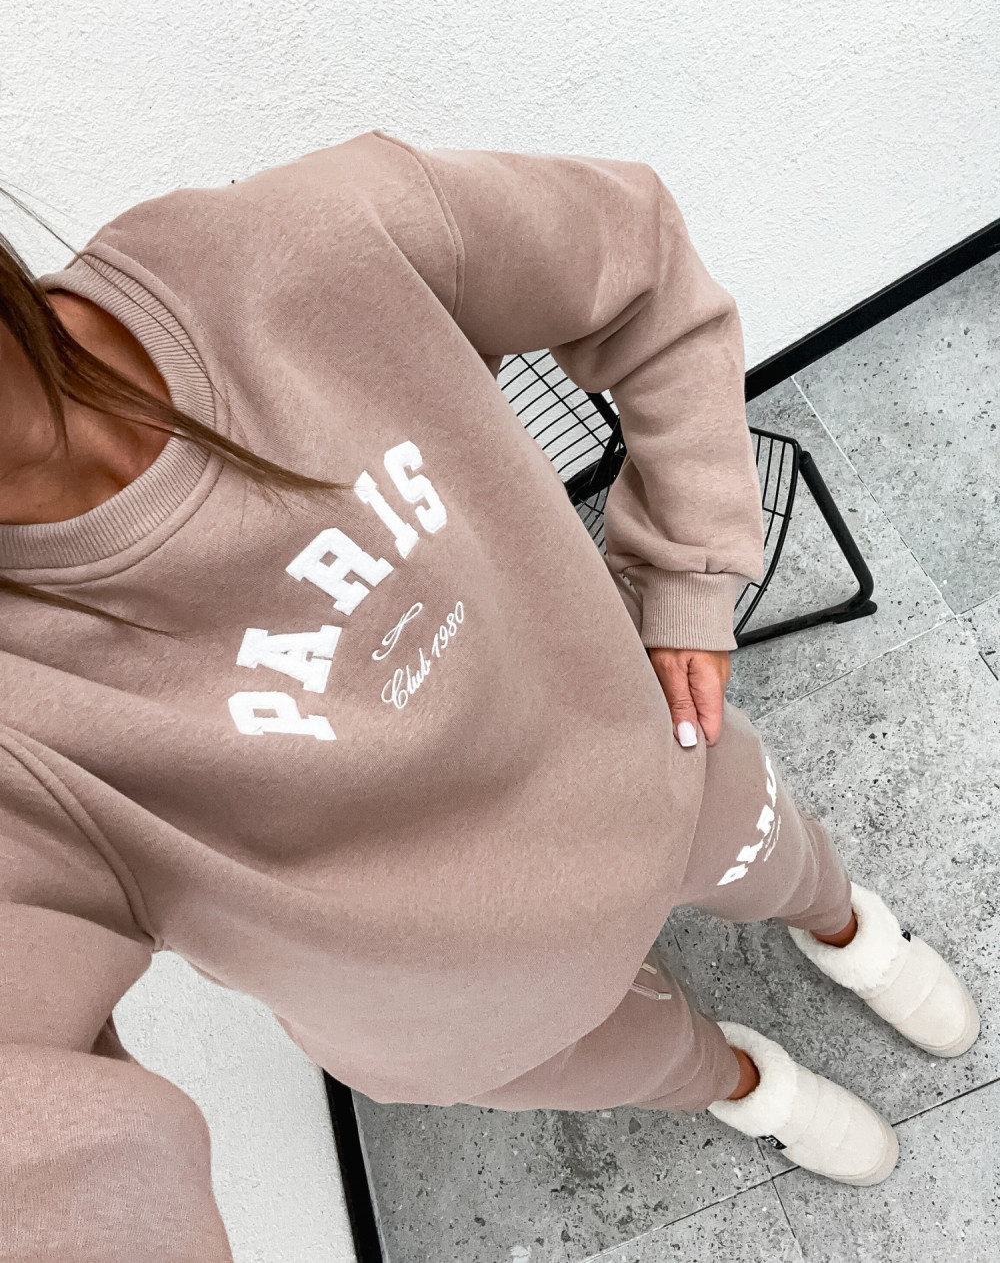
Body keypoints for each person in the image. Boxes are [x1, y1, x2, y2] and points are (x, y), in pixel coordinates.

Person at [0, 130, 979, 1259]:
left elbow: (634, 260)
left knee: (785, 862)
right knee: (663, 1061)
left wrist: (687, 573)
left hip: (651, 759)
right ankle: (754, 1086)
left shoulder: (284, 252)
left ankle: (854, 934)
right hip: (466, 1019)